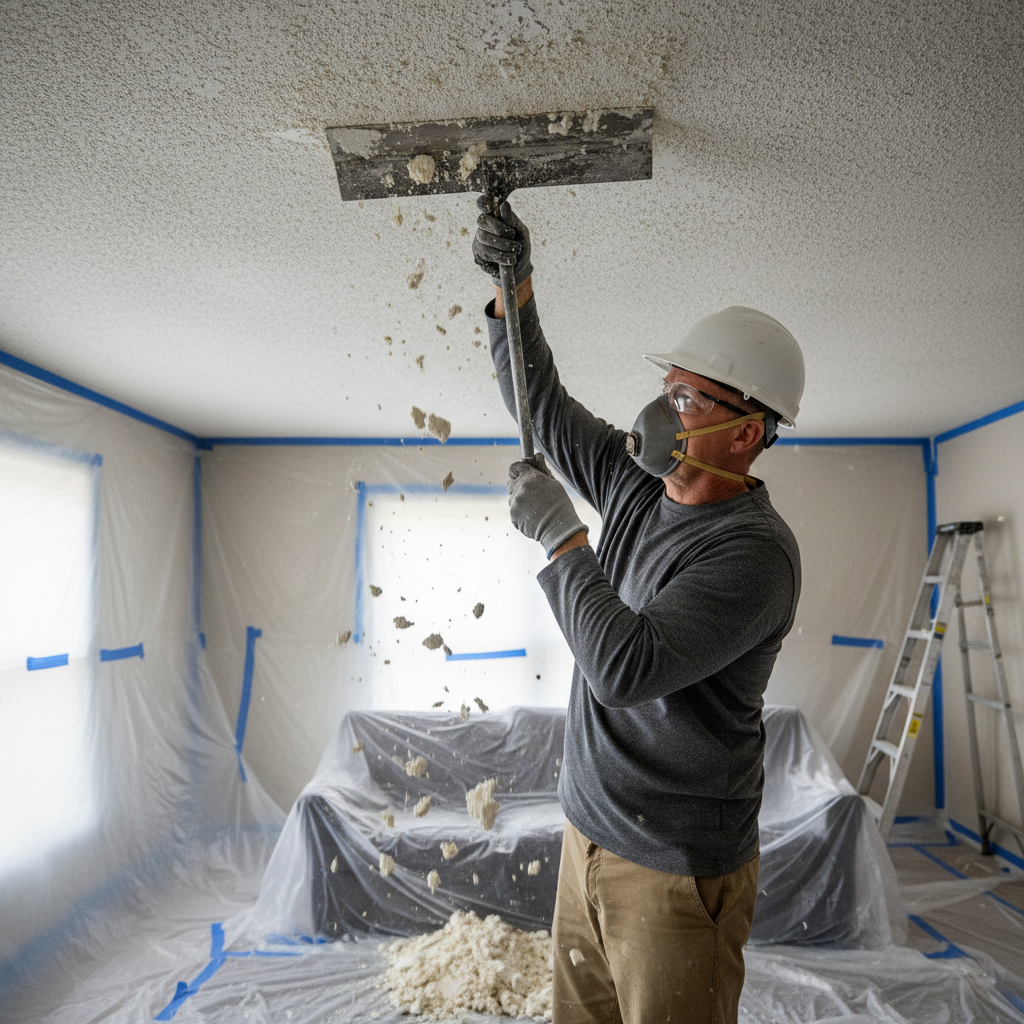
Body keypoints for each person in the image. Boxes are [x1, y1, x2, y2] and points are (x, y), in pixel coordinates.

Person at [473, 196, 804, 1024]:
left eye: (690, 402)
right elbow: (541, 405)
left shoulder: (754, 555)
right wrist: (514, 290)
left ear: (747, 434)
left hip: (675, 870)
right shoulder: (634, 483)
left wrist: (559, 538)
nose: (661, 416)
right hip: (587, 835)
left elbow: (627, 668)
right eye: (667, 391)